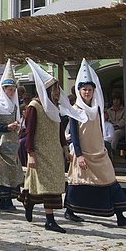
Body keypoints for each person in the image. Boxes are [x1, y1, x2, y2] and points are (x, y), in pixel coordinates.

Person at [64, 59, 126, 227]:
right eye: (84, 90)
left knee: (110, 180)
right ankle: (70, 210)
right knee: (78, 182)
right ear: (79, 91)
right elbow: (75, 134)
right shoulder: (75, 110)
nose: (87, 92)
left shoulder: (97, 108)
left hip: (98, 151)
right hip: (83, 152)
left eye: (90, 89)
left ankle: (120, 216)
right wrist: (79, 154)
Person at [19, 58, 76, 234]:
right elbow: (29, 131)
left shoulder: (54, 108)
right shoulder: (34, 107)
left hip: (55, 152)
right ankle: (49, 220)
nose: (57, 93)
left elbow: (59, 129)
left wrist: (65, 148)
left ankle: (27, 201)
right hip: (40, 150)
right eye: (54, 89)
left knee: (48, 185)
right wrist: (30, 153)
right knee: (44, 185)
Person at [0, 59, 23, 211]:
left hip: (12, 143)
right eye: (9, 89)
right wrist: (6, 127)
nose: (12, 92)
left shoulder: (14, 106)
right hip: (0, 143)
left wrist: (16, 126)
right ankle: (3, 201)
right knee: (3, 173)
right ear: (3, 89)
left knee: (12, 172)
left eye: (14, 90)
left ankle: (10, 199)